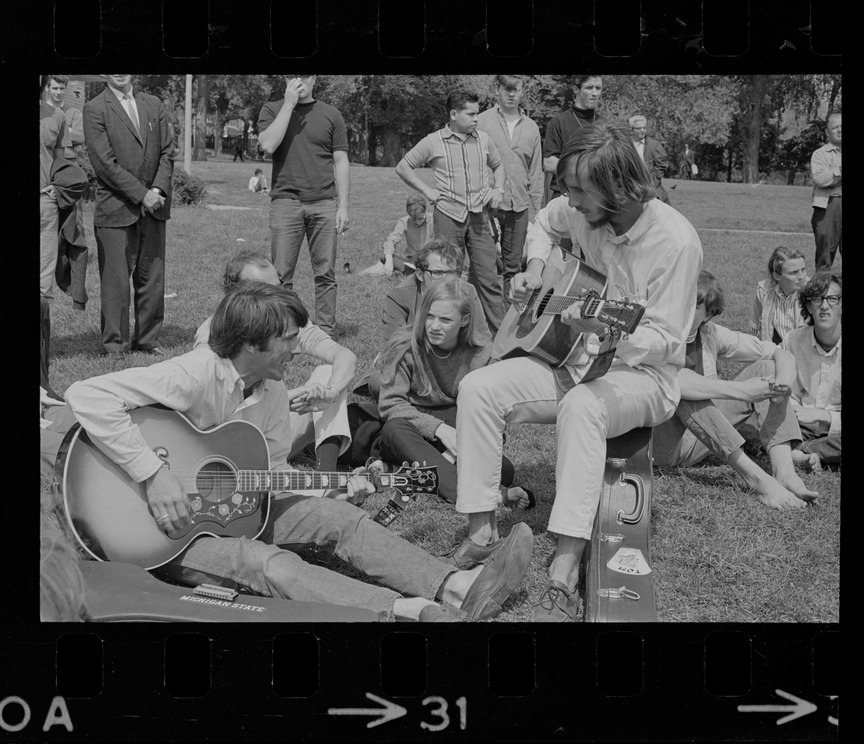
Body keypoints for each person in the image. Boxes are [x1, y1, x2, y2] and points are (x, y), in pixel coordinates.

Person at [63, 284, 533, 622]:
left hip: (237, 507)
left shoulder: (270, 391)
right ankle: (404, 611)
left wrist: (331, 488)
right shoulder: (193, 373)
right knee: (264, 563)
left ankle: (456, 585)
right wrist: (153, 474)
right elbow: (86, 395)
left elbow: (269, 472)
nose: (299, 349)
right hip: (155, 534)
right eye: (289, 339)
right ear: (251, 343)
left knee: (337, 519)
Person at [454, 121, 703, 622]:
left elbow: (669, 341)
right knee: (478, 387)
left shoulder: (675, 242)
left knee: (583, 406)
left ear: (616, 188)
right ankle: (482, 532)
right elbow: (545, 224)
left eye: (578, 190)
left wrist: (613, 330)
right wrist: (534, 268)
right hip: (573, 358)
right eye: (567, 188)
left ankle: (563, 571)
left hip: (644, 377)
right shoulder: (579, 210)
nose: (569, 200)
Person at [652, 270, 817, 510]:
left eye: (693, 307)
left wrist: (780, 384)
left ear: (708, 314)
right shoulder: (656, 332)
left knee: (766, 369)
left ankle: (784, 471)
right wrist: (741, 390)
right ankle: (756, 479)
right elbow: (673, 380)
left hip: (698, 438)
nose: (683, 313)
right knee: (684, 392)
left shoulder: (710, 334)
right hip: (660, 444)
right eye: (680, 303)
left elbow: (780, 353)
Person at [194, 250, 356, 474]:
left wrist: (331, 392)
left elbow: (344, 356)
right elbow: (218, 410)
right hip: (234, 447)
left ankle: (325, 474)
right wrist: (283, 401)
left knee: (328, 373)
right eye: (266, 291)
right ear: (239, 295)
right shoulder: (212, 334)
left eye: (279, 287)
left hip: (275, 433)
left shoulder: (288, 323)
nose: (278, 297)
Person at [377, 277, 533, 509]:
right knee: (394, 428)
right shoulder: (405, 345)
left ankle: (406, 473)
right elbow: (390, 405)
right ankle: (480, 495)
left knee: (505, 470)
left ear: (464, 320)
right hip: (412, 430)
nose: (434, 326)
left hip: (460, 430)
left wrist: (469, 439)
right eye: (429, 316)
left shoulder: (483, 354)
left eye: (445, 319)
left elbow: (494, 414)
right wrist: (440, 430)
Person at [396, 89, 507, 334]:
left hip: (480, 216)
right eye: (471, 113)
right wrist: (428, 191)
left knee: (489, 278)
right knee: (446, 277)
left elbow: (498, 166)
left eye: (477, 113)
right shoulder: (433, 141)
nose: (476, 118)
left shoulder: (484, 139)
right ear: (454, 114)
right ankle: (442, 332)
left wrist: (498, 189)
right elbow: (403, 167)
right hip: (448, 216)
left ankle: (502, 340)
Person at [83, 74, 174, 360]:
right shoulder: (95, 108)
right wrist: (141, 194)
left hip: (154, 207)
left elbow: (167, 152)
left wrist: (156, 189)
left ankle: (147, 340)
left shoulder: (154, 103)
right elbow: (104, 164)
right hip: (116, 209)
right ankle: (115, 346)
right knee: (116, 282)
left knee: (152, 277)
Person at [258, 75, 350, 337]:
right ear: (284, 79)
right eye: (292, 76)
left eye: (305, 76)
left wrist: (343, 206)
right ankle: (284, 331)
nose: (299, 81)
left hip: (323, 203)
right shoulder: (272, 109)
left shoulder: (332, 114)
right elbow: (267, 145)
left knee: (325, 274)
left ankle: (325, 334)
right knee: (281, 276)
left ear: (315, 78)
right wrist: (288, 105)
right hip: (286, 203)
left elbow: (341, 160)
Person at [354, 239, 489, 400]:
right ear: (419, 274)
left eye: (451, 273)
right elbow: (393, 350)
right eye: (438, 273)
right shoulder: (399, 296)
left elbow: (482, 337)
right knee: (381, 383)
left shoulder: (467, 291)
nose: (445, 279)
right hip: (415, 365)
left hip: (455, 363)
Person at [476, 75, 544, 299]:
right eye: (507, 89)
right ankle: (477, 318)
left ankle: (507, 320)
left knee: (513, 269)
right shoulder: (482, 121)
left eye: (516, 90)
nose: (512, 94)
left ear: (522, 91)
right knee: (482, 268)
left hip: (519, 207)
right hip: (488, 206)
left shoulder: (532, 127)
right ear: (497, 90)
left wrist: (536, 211)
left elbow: (535, 172)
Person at [782, 270, 841, 467]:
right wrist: (795, 413)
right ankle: (810, 453)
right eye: (817, 300)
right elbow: (787, 393)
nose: (825, 307)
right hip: (800, 425)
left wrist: (824, 416)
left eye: (832, 299)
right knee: (754, 422)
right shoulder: (792, 341)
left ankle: (799, 452)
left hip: (837, 430)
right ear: (808, 305)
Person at [46, 74, 89, 311]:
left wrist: (63, 132)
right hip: (47, 172)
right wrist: (66, 133)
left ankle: (75, 286)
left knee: (75, 228)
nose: (59, 92)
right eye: (55, 87)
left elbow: (81, 137)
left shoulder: (73, 113)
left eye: (62, 88)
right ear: (48, 88)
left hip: (68, 176)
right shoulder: (44, 113)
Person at [542, 76, 604, 200]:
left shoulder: (603, 124)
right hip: (565, 195)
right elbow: (549, 163)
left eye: (598, 88)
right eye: (589, 88)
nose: (595, 93)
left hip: (597, 197)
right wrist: (584, 169)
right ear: (576, 89)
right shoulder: (559, 122)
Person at [40, 81, 71, 299]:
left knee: (44, 275)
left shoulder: (57, 116)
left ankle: (42, 331)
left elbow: (61, 158)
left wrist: (57, 186)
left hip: (45, 200)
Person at [360, 194, 435, 277]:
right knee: (386, 257)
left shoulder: (434, 219)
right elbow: (391, 240)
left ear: (425, 211)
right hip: (412, 261)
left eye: (420, 218)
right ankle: (403, 270)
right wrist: (389, 261)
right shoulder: (404, 221)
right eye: (414, 219)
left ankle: (405, 271)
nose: (418, 222)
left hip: (431, 260)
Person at [750, 246, 807, 344]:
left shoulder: (813, 292)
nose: (801, 277)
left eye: (803, 270)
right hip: (774, 350)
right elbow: (756, 327)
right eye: (794, 272)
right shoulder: (763, 291)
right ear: (777, 275)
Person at [809, 112, 841, 270]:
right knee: (824, 255)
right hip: (828, 206)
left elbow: (829, 178)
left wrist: (834, 175)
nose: (840, 130)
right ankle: (820, 292)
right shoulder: (819, 154)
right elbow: (821, 180)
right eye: (836, 127)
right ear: (828, 132)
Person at [628, 114, 671, 205]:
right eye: (639, 128)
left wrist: (653, 182)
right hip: (630, 187)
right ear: (631, 129)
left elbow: (662, 164)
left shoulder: (654, 145)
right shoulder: (625, 145)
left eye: (644, 128)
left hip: (650, 187)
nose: (642, 131)